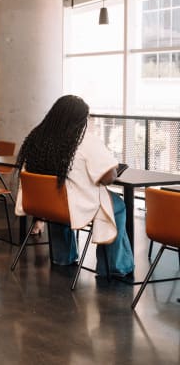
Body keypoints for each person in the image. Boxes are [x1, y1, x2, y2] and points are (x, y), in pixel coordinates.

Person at [15, 95, 133, 277]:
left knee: (58, 194)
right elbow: (108, 177)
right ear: (80, 119)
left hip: (47, 206)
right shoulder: (84, 140)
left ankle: (62, 257)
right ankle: (115, 267)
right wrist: (114, 168)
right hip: (73, 207)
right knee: (117, 206)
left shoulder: (36, 139)